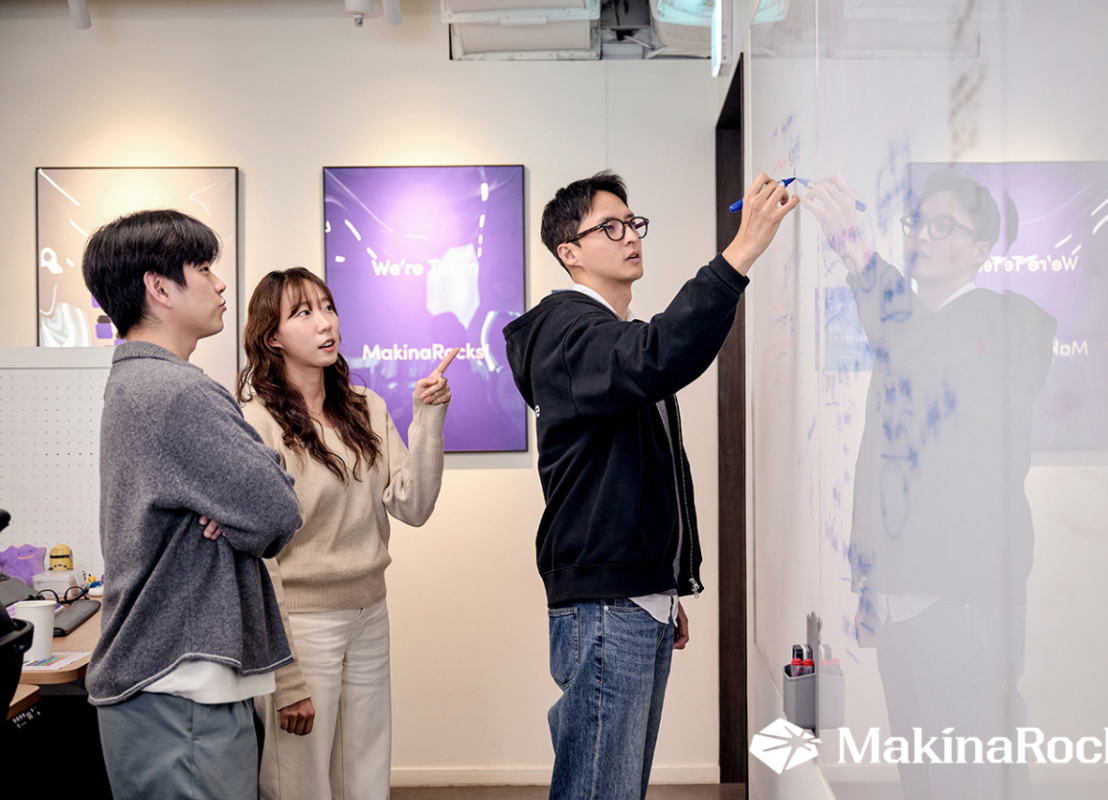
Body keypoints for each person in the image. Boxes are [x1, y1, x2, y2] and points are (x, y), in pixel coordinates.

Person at [503, 171, 797, 799]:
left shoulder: (603, 335)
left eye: (632, 223)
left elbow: (635, 463)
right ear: (569, 252)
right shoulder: (567, 330)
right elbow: (659, 353)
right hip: (608, 602)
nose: (630, 236)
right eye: (609, 227)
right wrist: (740, 252)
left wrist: (661, 580)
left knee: (614, 788)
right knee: (599, 790)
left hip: (631, 595)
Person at [800, 172, 1057, 800]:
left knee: (972, 776)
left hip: (965, 596)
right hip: (904, 596)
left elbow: (930, 359)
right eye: (917, 224)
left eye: (944, 227)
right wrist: (873, 580)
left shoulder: (1005, 324)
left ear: (981, 249)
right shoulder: (914, 334)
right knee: (923, 775)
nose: (922, 237)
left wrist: (856, 251)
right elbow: (887, 467)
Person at [81, 210, 302, 800]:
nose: (220, 283)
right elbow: (277, 511)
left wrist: (234, 511)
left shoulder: (142, 381)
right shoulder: (177, 391)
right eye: (203, 268)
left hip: (170, 688)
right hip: (181, 694)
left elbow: (260, 500)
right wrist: (243, 507)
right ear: (159, 287)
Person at [238, 267, 454, 800]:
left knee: (365, 773)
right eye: (303, 313)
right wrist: (286, 677)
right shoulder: (256, 422)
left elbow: (414, 506)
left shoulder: (365, 407)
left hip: (369, 613)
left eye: (328, 307)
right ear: (272, 337)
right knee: (301, 780)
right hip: (301, 624)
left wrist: (427, 418)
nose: (325, 323)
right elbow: (258, 557)